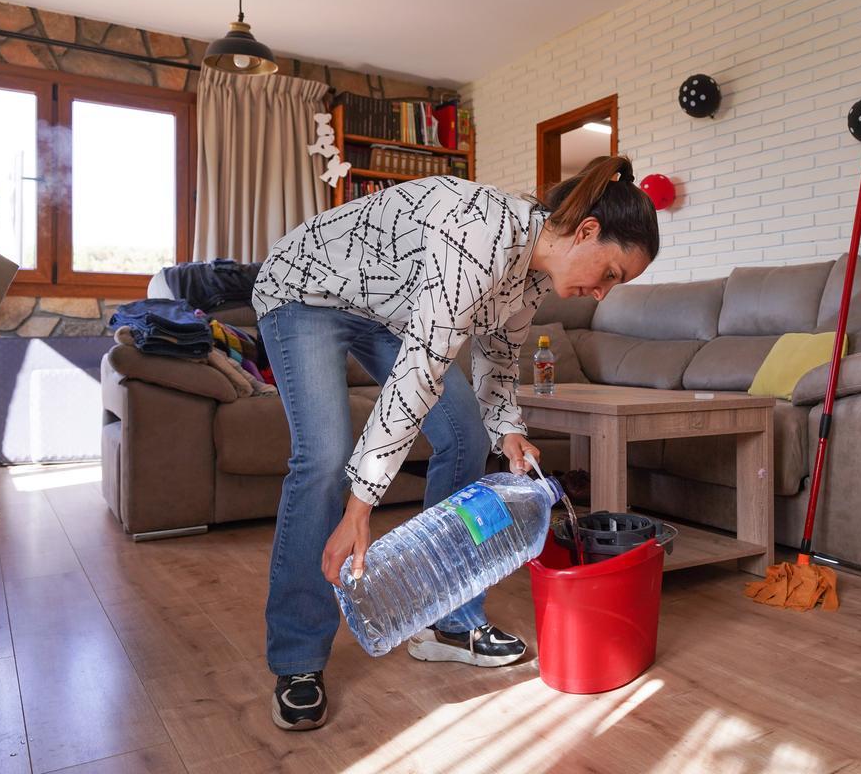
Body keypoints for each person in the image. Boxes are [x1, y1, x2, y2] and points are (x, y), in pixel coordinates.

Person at [253, 156, 659, 730]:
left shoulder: (535, 276)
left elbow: (499, 357)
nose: (602, 294)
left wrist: (510, 433)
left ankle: (452, 622)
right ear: (587, 231)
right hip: (308, 288)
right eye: (612, 273)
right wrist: (360, 506)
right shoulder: (481, 233)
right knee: (323, 458)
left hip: (386, 309)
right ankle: (297, 658)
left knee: (468, 436)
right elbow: (420, 371)